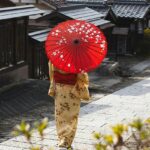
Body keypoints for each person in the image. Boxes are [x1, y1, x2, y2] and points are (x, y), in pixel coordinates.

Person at [48, 61, 90, 149]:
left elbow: (51, 72)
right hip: (72, 91)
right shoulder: (76, 59)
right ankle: (67, 141)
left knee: (60, 115)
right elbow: (82, 76)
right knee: (71, 117)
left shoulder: (56, 57)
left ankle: (62, 139)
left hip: (60, 89)